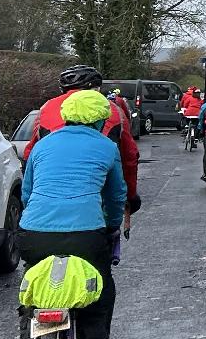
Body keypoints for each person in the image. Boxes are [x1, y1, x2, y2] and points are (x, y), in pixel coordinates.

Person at [18, 89, 125, 339]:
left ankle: (30, 324)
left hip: (34, 233)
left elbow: (27, 191)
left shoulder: (43, 145)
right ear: (99, 120)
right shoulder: (107, 147)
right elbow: (116, 195)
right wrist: (110, 227)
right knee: (98, 298)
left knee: (37, 276)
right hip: (85, 236)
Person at [26, 64, 141, 224]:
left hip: (45, 197)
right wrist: (130, 196)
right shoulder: (112, 109)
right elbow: (129, 157)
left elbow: (29, 154)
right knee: (102, 232)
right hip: (96, 193)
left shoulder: (46, 108)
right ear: (96, 90)